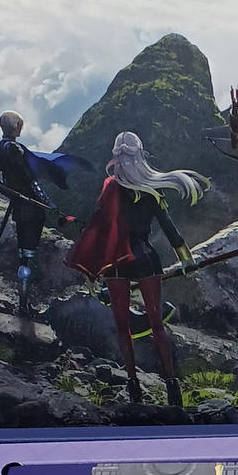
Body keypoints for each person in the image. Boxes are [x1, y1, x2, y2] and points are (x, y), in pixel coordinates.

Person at [67, 131, 207, 406]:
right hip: (146, 259)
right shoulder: (150, 190)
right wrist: (187, 259)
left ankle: (134, 388)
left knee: (123, 328)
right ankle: (172, 386)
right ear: (140, 155)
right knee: (157, 325)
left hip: (117, 264)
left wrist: (88, 261)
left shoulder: (110, 188)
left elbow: (98, 227)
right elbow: (170, 229)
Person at [0, 111, 89, 309]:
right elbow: (30, 181)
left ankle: (24, 300)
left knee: (23, 253)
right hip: (32, 207)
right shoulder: (16, 150)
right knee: (29, 255)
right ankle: (25, 303)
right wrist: (48, 203)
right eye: (20, 125)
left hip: (19, 207)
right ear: (15, 127)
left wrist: (11, 194)